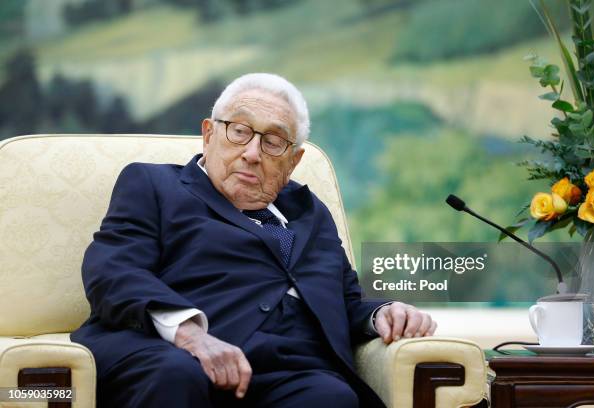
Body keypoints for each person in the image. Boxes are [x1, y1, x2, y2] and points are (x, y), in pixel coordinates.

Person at [71, 73, 437, 408]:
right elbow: (113, 269)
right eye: (239, 131)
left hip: (290, 372)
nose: (252, 153)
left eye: (273, 142)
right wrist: (189, 334)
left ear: (293, 161)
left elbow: (344, 300)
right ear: (209, 134)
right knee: (176, 373)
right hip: (175, 354)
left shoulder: (312, 214)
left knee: (332, 397)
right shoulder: (154, 186)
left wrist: (383, 313)